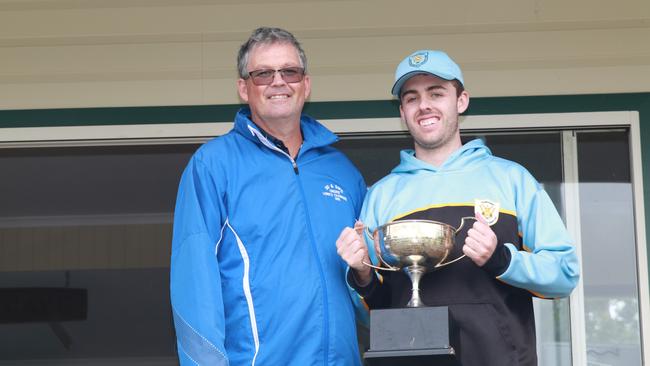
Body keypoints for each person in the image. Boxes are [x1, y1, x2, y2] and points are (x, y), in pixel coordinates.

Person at [336, 50, 580, 366]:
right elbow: (374, 315)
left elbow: (564, 273)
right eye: (412, 98)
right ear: (402, 111)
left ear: (461, 101)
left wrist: (502, 259)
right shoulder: (381, 195)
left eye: (436, 93)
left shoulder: (511, 179)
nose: (424, 105)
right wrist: (363, 274)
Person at [170, 27, 367, 365]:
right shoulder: (214, 165)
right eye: (263, 74)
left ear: (306, 84)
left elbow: (371, 290)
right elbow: (193, 287)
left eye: (289, 71)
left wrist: (365, 274)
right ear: (243, 88)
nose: (278, 82)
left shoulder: (343, 173)